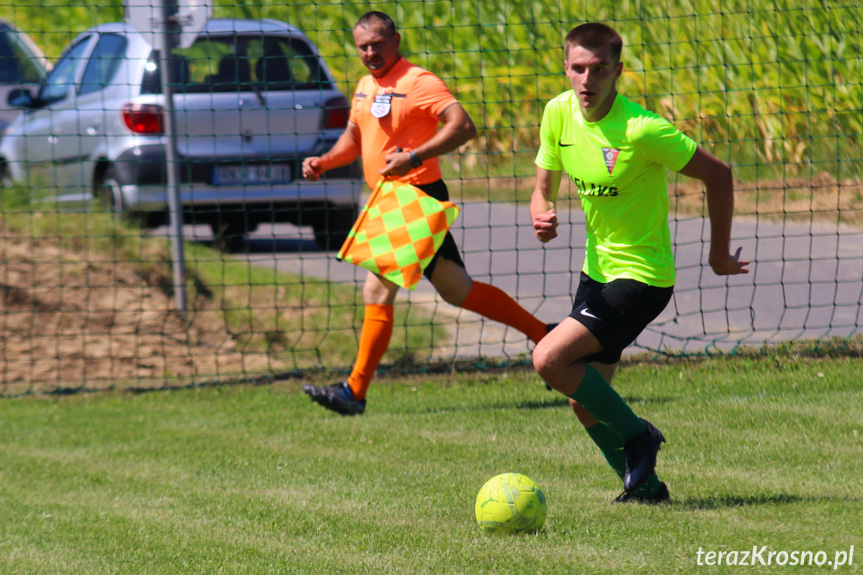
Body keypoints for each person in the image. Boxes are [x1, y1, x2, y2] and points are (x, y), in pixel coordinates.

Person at [530, 23, 749, 503]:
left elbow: (719, 174)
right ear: (566, 68)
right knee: (583, 402)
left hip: (643, 277)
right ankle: (647, 489)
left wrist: (717, 255)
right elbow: (542, 185)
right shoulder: (557, 114)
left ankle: (639, 435)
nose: (588, 80)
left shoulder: (642, 129)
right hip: (597, 273)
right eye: (578, 69)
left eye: (600, 70)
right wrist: (539, 212)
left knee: (548, 358)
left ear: (618, 72)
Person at [301, 11, 550, 415]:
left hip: (414, 195)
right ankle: (548, 338)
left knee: (377, 290)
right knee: (457, 290)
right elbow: (354, 135)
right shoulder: (365, 86)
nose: (370, 52)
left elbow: (463, 126)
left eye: (377, 44)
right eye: (362, 46)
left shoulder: (419, 82)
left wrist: (414, 155)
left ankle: (354, 391)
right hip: (390, 198)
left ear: (396, 41)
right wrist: (325, 162)